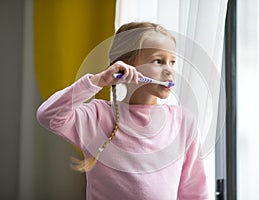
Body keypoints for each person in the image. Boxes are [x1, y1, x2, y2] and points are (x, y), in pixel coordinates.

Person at [37, 22, 209, 200]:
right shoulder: (97, 116)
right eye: (158, 61)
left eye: (172, 62)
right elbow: (48, 115)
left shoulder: (183, 122)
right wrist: (98, 81)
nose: (169, 71)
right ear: (125, 65)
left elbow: (194, 192)